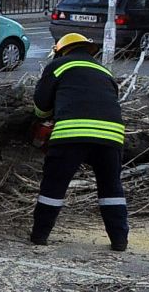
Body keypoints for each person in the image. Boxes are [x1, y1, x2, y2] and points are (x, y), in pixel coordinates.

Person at [29, 32, 128, 251]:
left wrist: (44, 117)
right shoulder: (104, 71)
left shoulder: (60, 65)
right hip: (111, 136)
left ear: (61, 51)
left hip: (71, 134)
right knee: (111, 188)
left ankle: (39, 235)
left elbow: (41, 105)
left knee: (54, 186)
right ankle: (120, 240)